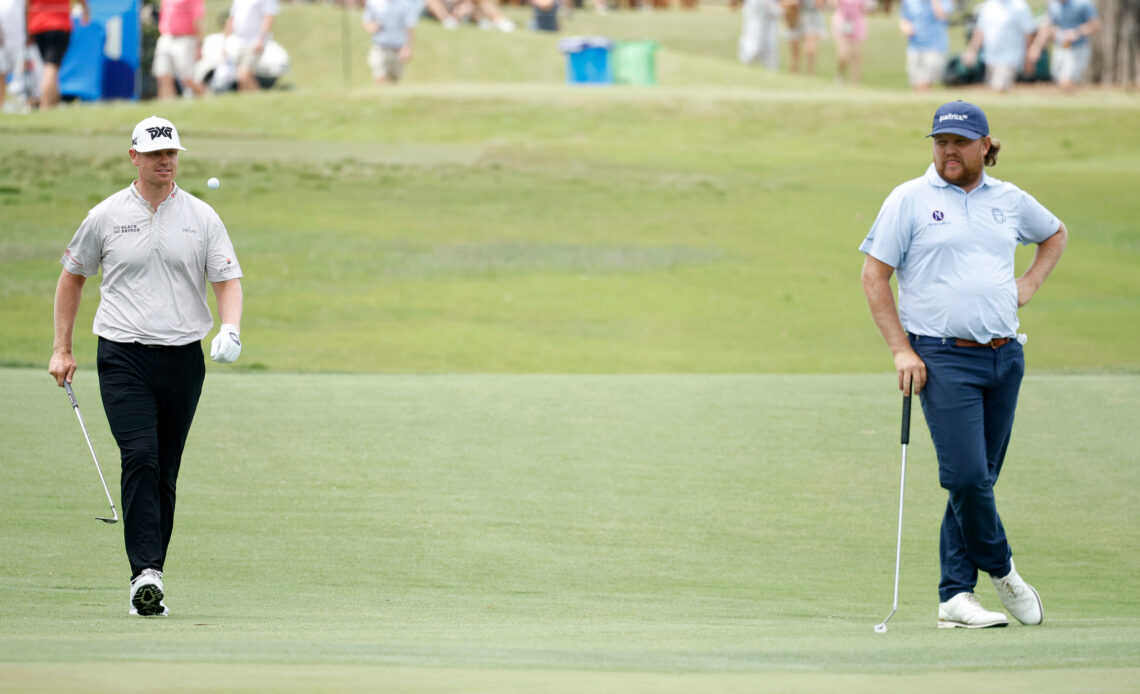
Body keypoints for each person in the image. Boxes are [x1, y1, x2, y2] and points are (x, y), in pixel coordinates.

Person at [860, 101, 1067, 629]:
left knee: (978, 481)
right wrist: (901, 350)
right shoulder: (909, 199)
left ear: (984, 146)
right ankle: (1003, 573)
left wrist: (1030, 284)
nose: (948, 151)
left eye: (959, 142)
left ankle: (955, 597)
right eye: (940, 142)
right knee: (967, 475)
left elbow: (1054, 234)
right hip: (942, 358)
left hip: (1005, 356)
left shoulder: (1009, 200)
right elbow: (873, 276)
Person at [49, 116, 244, 617]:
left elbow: (226, 279)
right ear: (134, 156)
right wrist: (62, 348)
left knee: (166, 469)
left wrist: (230, 327)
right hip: (122, 354)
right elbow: (72, 277)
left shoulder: (201, 217)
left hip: (182, 358)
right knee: (140, 456)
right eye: (156, 153)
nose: (166, 161)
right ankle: (145, 576)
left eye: (173, 153)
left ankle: (152, 570)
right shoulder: (107, 215)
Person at [961, 0, 1036, 92]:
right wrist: (971, 51)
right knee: (991, 91)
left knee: (999, 89)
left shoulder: (1020, 6)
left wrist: (1028, 57)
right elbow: (980, 31)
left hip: (1010, 58)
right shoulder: (989, 5)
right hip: (990, 57)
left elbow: (1028, 33)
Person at [1026, 0, 1100, 92]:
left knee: (1066, 80)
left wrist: (1077, 32)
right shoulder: (1053, 5)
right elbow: (1045, 28)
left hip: (1078, 48)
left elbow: (1095, 24)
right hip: (1060, 48)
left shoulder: (1082, 4)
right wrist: (1036, 47)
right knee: (1058, 79)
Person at [25, 0, 88, 108]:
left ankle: (51, 105)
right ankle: (45, 105)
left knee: (50, 67)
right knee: (51, 67)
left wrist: (28, 31)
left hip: (38, 26)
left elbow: (27, 5)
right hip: (59, 25)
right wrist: (86, 12)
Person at [153, 0, 207, 99]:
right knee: (163, 76)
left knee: (188, 78)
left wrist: (199, 45)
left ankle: (207, 99)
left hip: (185, 38)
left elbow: (197, 20)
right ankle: (166, 108)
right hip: (166, 37)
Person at [223, 0, 279, 91]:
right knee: (241, 78)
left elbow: (268, 17)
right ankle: (248, 102)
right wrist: (225, 40)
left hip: (253, 42)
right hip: (238, 42)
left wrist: (261, 38)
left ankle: (259, 99)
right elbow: (232, 18)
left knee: (243, 75)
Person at [362, 0, 421, 85]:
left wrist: (407, 47)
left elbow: (410, 27)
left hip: (398, 48)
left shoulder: (405, 5)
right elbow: (367, 21)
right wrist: (371, 27)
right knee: (380, 75)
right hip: (380, 47)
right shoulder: (373, 3)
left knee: (394, 80)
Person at [898, 0, 953, 90]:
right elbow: (904, 18)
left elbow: (941, 15)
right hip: (914, 46)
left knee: (925, 82)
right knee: (915, 83)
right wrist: (906, 27)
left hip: (935, 47)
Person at [830, 0, 870, 83]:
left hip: (857, 23)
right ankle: (840, 75)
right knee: (843, 55)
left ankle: (855, 82)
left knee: (857, 55)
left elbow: (867, 8)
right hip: (842, 22)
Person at [737, 0, 782, 71]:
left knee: (770, 44)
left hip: (769, 9)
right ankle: (748, 68)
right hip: (756, 7)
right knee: (753, 43)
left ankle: (770, 72)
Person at [0, 0, 25, 110]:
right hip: (4, 42)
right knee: (1, 74)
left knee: (21, 75)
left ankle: (24, 104)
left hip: (19, 40)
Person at [785, 0, 822, 75]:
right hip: (795, 15)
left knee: (810, 49)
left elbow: (819, 4)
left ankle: (810, 74)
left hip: (811, 17)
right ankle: (793, 73)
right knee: (795, 50)